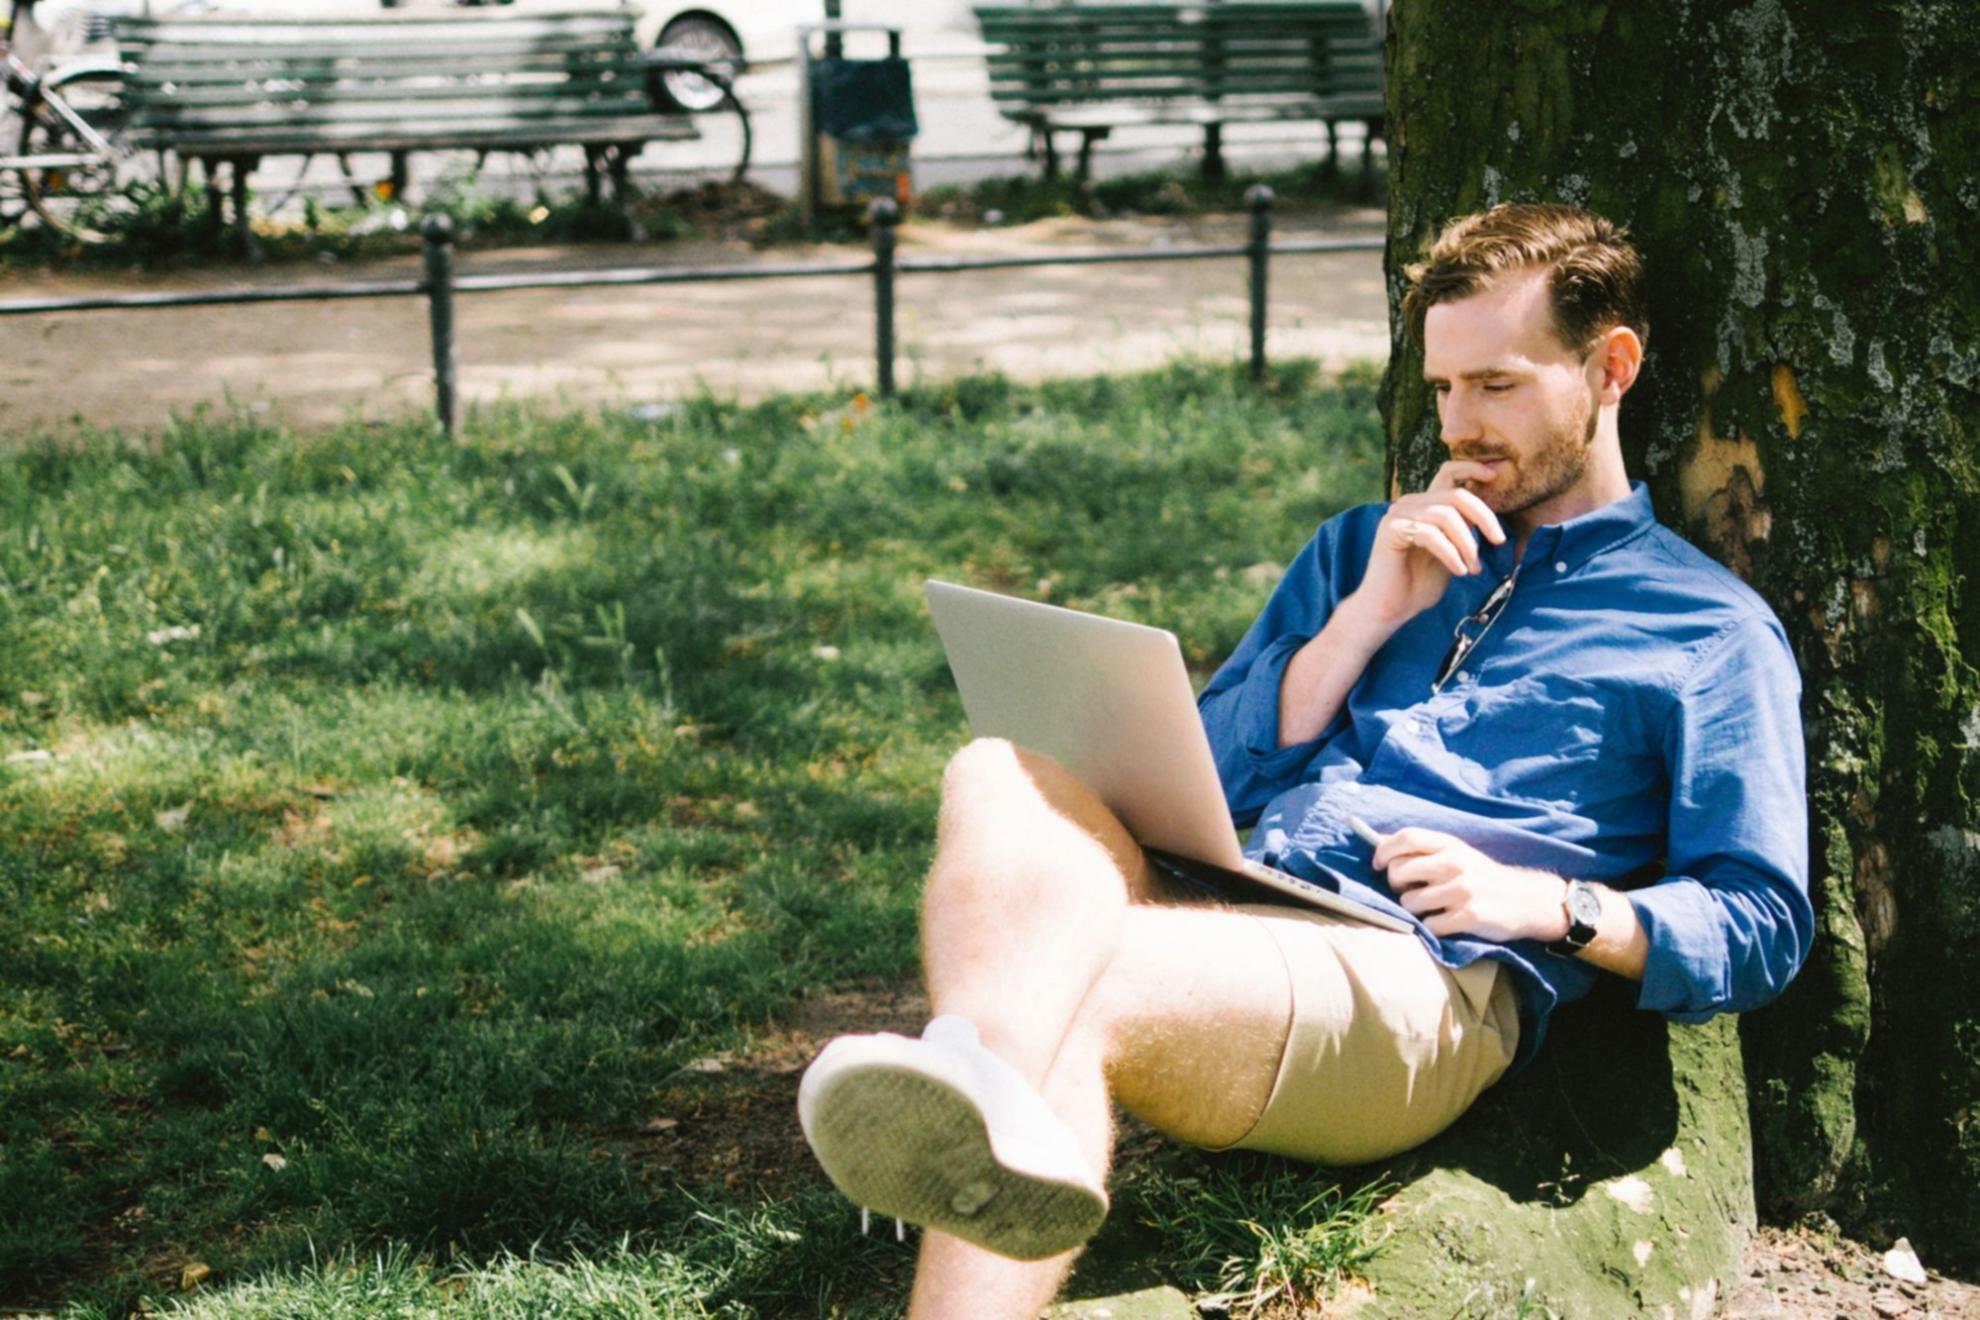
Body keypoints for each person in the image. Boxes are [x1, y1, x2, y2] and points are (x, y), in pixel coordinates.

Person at [795, 203, 1814, 1318]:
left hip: (1410, 976)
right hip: (1236, 889)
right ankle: (984, 1086)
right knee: (998, 769)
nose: (1460, 425)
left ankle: (971, 1106)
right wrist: (1363, 621)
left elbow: (1761, 919)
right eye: (1441, 390)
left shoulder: (1706, 632)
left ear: (1610, 367)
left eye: (1499, 386)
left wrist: (1552, 904)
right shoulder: (1360, 549)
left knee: (1087, 982)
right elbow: (1210, 778)